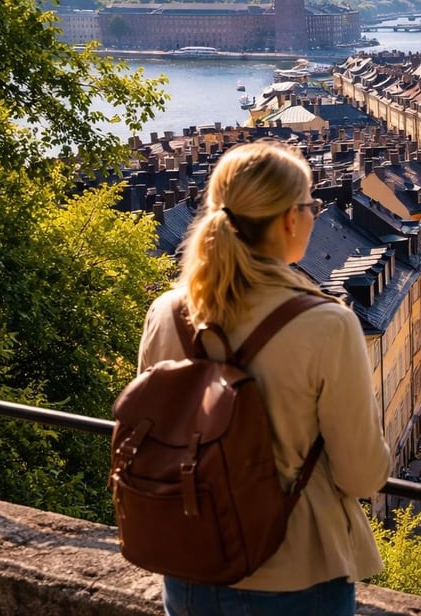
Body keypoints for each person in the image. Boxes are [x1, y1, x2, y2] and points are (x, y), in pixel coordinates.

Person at [138, 140, 391, 616]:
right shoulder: (327, 324)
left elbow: (156, 436)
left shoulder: (168, 313)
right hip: (297, 571)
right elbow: (361, 475)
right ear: (289, 220)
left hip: (192, 562)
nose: (315, 215)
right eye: (311, 205)